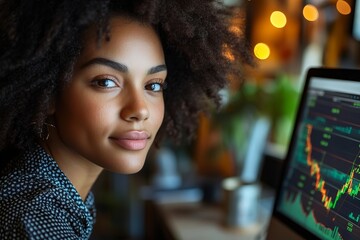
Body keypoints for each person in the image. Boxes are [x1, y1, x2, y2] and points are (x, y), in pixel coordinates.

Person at [0, 0, 252, 239]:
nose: (140, 110)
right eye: (106, 82)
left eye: (153, 85)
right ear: (49, 89)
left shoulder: (46, 189)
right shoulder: (34, 221)